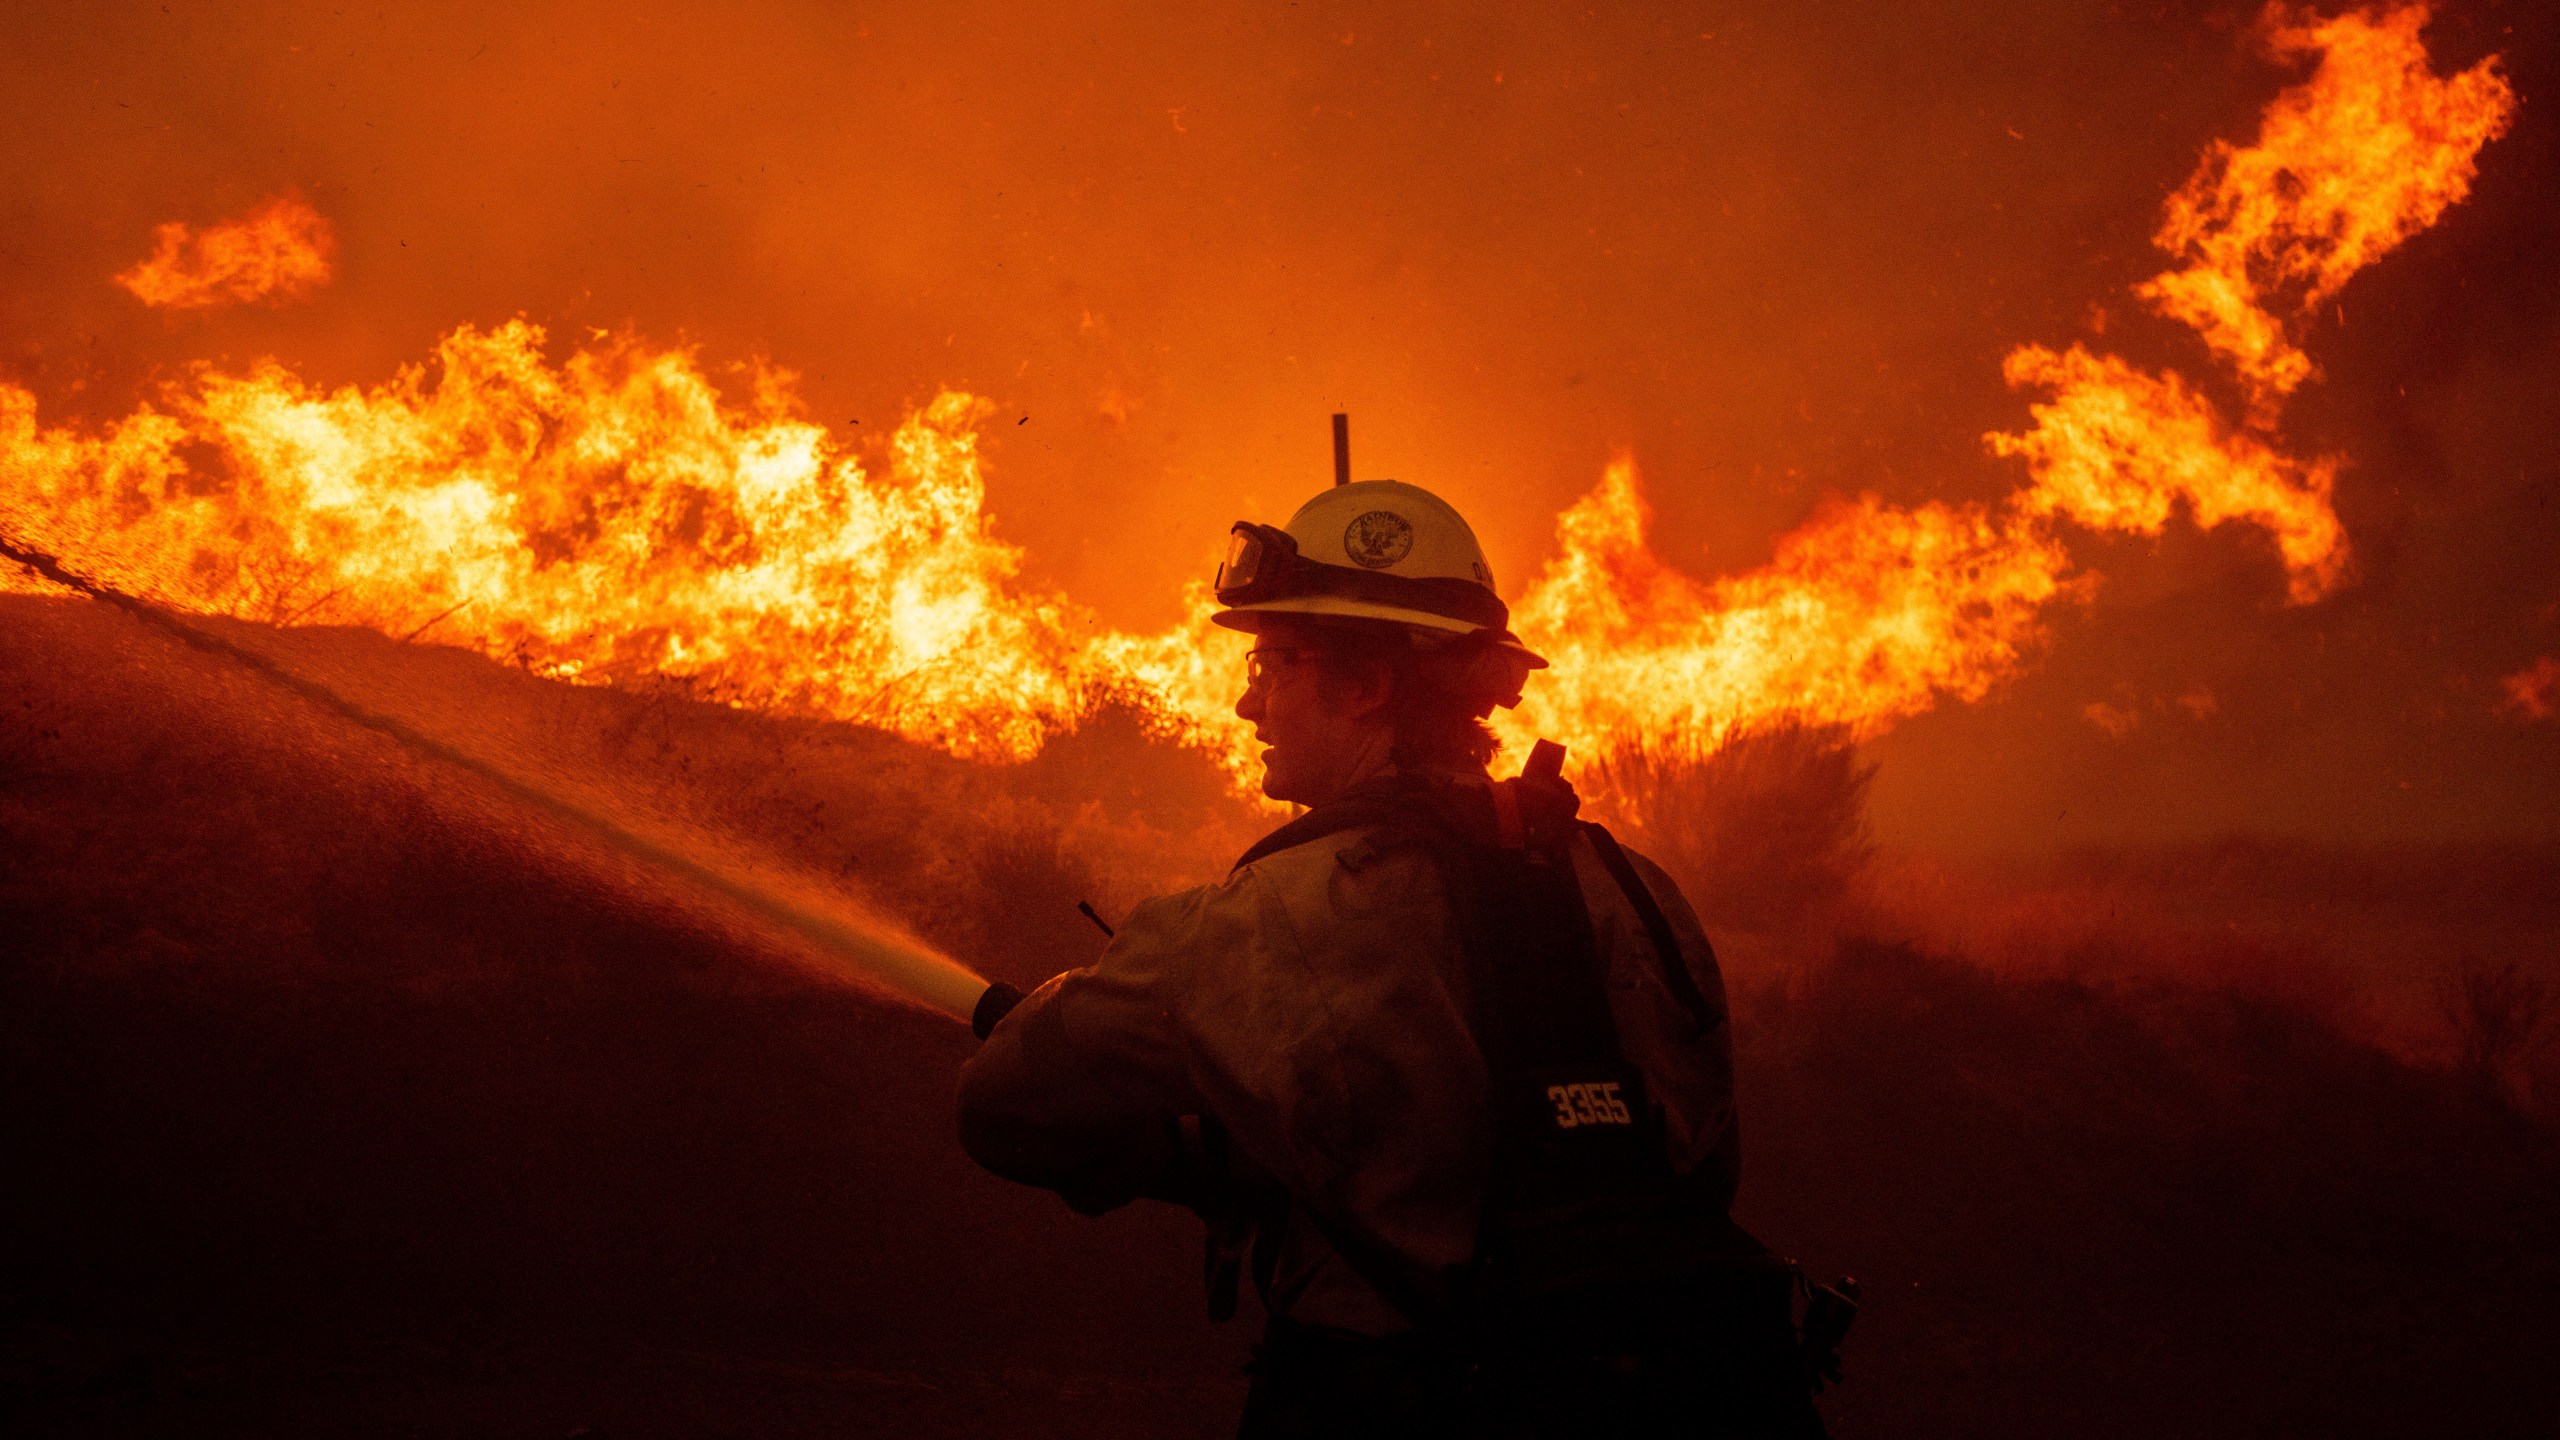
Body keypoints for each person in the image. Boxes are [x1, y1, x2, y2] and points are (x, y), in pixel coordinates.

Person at [957, 479, 1825, 1437]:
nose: (1249, 702)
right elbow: (1698, 1166)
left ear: (1369, 688)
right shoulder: (1639, 892)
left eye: (1275, 663)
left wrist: (1201, 1158)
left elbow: (1002, 1108)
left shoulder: (1258, 921)